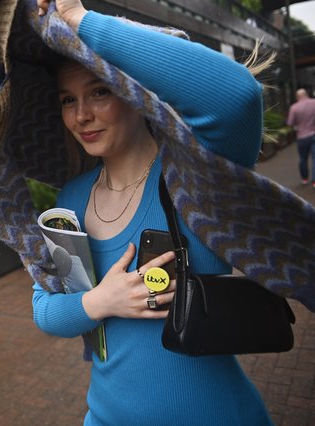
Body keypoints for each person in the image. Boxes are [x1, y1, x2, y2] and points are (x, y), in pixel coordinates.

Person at [29, 0, 271, 424]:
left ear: (134, 93)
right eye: (68, 100)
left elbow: (238, 95)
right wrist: (100, 301)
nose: (81, 115)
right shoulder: (70, 197)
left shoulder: (200, 175)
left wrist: (78, 20)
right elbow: (45, 309)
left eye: (99, 91)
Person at [287, 88, 315, 187]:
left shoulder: (294, 107)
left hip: (302, 137)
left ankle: (304, 179)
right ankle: (314, 181)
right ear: (306, 94)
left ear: (297, 96)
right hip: (314, 135)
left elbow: (290, 123)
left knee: (303, 158)